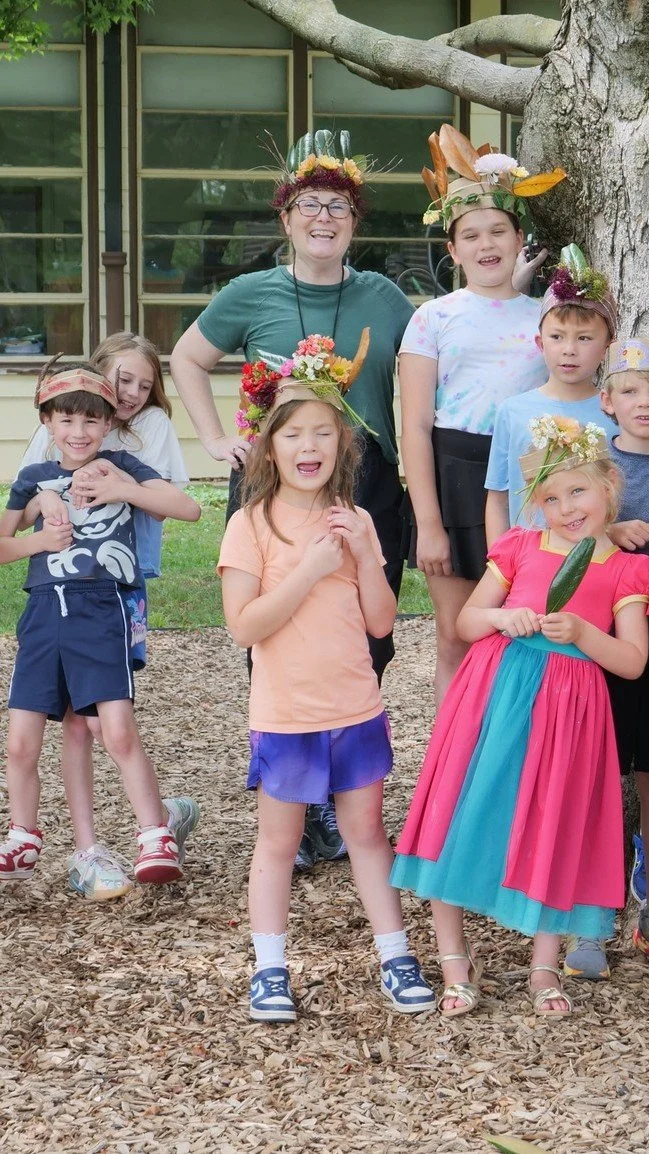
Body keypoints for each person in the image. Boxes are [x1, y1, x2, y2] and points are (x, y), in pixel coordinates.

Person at [170, 129, 412, 868]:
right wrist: (215, 440)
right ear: (287, 219)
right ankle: (294, 813)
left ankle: (342, 808)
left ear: (354, 222)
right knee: (274, 648)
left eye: (338, 206)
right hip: (276, 488)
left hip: (367, 487)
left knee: (365, 642)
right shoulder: (252, 293)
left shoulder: (385, 296)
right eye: (310, 204)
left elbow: (434, 365)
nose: (323, 218)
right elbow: (184, 357)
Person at [391, 420, 649, 1018]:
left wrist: (584, 633)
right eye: (551, 499)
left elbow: (633, 662)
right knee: (465, 806)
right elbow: (465, 622)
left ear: (610, 485)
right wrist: (504, 618)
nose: (566, 509)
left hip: (570, 708)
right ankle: (456, 963)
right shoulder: (521, 547)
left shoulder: (624, 568)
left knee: (552, 819)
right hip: (493, 693)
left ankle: (544, 965)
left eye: (578, 493)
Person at [217, 343, 436, 1022]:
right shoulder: (249, 526)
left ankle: (396, 956)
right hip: (286, 715)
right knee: (279, 843)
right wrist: (309, 571)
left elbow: (379, 620)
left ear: (342, 445)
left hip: (356, 708)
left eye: (322, 433)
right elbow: (244, 628)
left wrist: (368, 555)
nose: (308, 446)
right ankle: (270, 967)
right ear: (270, 447)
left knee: (368, 834)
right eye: (293, 434)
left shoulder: (359, 521)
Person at [1, 364, 201, 885]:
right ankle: (23, 837)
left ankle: (154, 834)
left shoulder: (120, 464)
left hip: (103, 610)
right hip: (43, 616)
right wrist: (38, 537)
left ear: (109, 423)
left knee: (113, 730)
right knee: (21, 741)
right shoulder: (31, 479)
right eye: (66, 419)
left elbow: (188, 508)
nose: (79, 432)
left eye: (92, 421)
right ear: (46, 421)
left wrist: (125, 490)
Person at [401, 125, 567, 704]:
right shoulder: (433, 318)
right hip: (456, 471)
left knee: (524, 626)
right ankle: (452, 761)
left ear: (520, 238)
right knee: (457, 633)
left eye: (499, 229)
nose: (486, 243)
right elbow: (417, 426)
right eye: (470, 235)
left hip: (532, 472)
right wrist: (428, 522)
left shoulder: (548, 314)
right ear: (452, 249)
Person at [563, 337, 649, 984]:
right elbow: (555, 537)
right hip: (601, 647)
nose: (643, 403)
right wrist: (605, 534)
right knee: (596, 781)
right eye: (630, 391)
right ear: (607, 401)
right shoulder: (592, 468)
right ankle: (591, 912)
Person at [484, 244, 617, 540]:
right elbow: (498, 497)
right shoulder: (513, 411)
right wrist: (500, 563)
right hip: (530, 563)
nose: (569, 350)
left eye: (584, 338)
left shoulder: (616, 412)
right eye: (557, 337)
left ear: (607, 345)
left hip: (600, 560)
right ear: (540, 342)